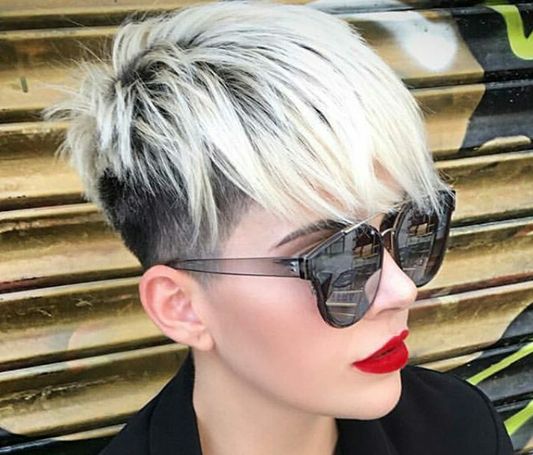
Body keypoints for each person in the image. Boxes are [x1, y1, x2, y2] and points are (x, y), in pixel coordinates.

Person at [42, 1, 514, 454]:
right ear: (183, 308)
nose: (401, 291)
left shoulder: (458, 429)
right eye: (335, 256)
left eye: (410, 228)